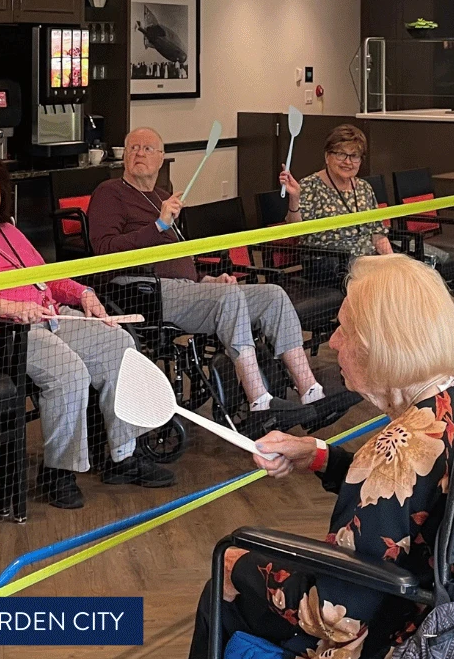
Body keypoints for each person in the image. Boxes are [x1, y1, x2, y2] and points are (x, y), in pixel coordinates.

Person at [176, 253, 454, 659]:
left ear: (381, 346)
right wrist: (319, 455)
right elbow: (411, 499)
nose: (334, 342)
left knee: (226, 573)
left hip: (372, 652)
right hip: (440, 622)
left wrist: (242, 565)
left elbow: (334, 612)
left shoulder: (393, 451)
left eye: (344, 331)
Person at [0, 145, 174, 512]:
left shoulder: (7, 230)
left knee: (117, 342)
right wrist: (6, 308)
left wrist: (83, 293)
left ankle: (122, 453)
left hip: (43, 321)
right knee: (67, 369)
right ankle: (59, 470)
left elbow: (47, 278)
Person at [89, 127, 345, 440]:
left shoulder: (160, 197)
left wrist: (207, 279)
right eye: (133, 148)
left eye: (148, 148)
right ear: (124, 157)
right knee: (227, 298)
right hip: (142, 291)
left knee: (273, 295)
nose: (139, 153)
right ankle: (259, 403)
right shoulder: (110, 192)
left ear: (160, 160)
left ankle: (311, 393)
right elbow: (104, 249)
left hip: (185, 288)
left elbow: (179, 262)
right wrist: (158, 225)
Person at [280, 124, 392, 266]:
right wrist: (294, 198)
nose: (347, 162)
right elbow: (295, 230)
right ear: (327, 156)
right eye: (340, 154)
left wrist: (393, 263)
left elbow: (378, 235)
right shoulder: (310, 186)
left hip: (366, 262)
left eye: (354, 156)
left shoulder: (364, 187)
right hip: (328, 265)